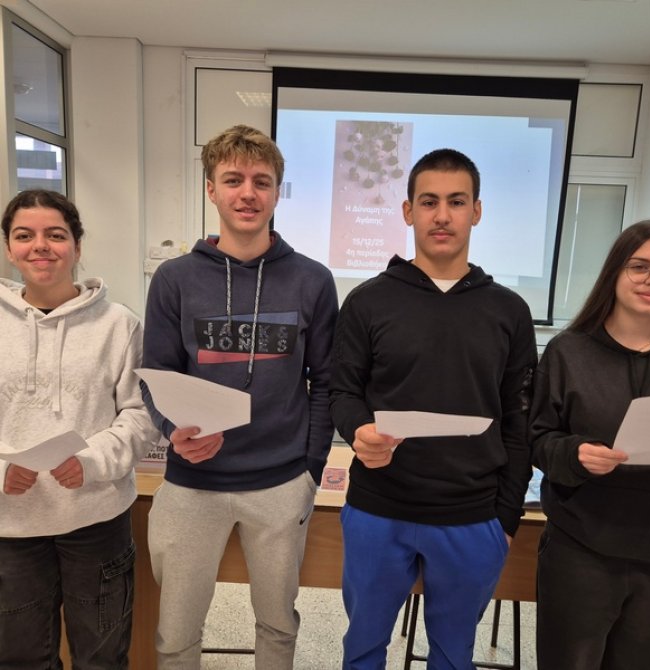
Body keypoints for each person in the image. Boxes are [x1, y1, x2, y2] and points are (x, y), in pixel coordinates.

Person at [329, 148, 538, 669]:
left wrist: (506, 518)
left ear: (476, 211)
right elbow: (342, 392)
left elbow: (519, 421)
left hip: (472, 517)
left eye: (456, 201)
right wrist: (358, 431)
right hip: (378, 509)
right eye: (429, 202)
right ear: (408, 212)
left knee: (452, 655)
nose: (442, 215)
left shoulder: (509, 312)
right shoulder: (368, 302)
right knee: (362, 650)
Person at [142, 124, 339, 670]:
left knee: (278, 624)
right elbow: (155, 375)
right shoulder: (175, 279)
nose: (247, 193)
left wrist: (311, 469)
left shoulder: (313, 280)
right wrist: (172, 431)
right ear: (211, 189)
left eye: (261, 181)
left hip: (281, 483)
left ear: (277, 192)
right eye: (233, 180)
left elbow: (326, 381)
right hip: (192, 483)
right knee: (176, 632)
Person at [0, 189, 157, 668]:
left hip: (96, 518)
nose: (40, 246)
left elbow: (141, 414)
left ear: (77, 245)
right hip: (12, 525)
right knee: (21, 658)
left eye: (55, 235)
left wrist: (92, 461)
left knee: (102, 657)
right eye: (24, 236)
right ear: (9, 248)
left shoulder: (119, 325)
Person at [530, 220, 650, 670]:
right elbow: (538, 438)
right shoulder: (569, 351)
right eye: (640, 266)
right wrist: (575, 454)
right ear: (615, 272)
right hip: (582, 550)